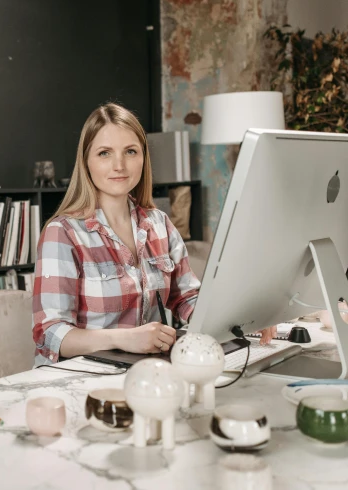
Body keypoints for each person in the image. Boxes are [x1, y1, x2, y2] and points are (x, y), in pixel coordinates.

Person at [32, 103, 276, 366]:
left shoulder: (159, 223)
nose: (119, 165)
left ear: (143, 158)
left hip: (147, 373)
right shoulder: (63, 233)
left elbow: (187, 297)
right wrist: (122, 339)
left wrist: (241, 320)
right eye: (104, 153)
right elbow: (50, 333)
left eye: (130, 151)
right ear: (86, 162)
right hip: (79, 379)